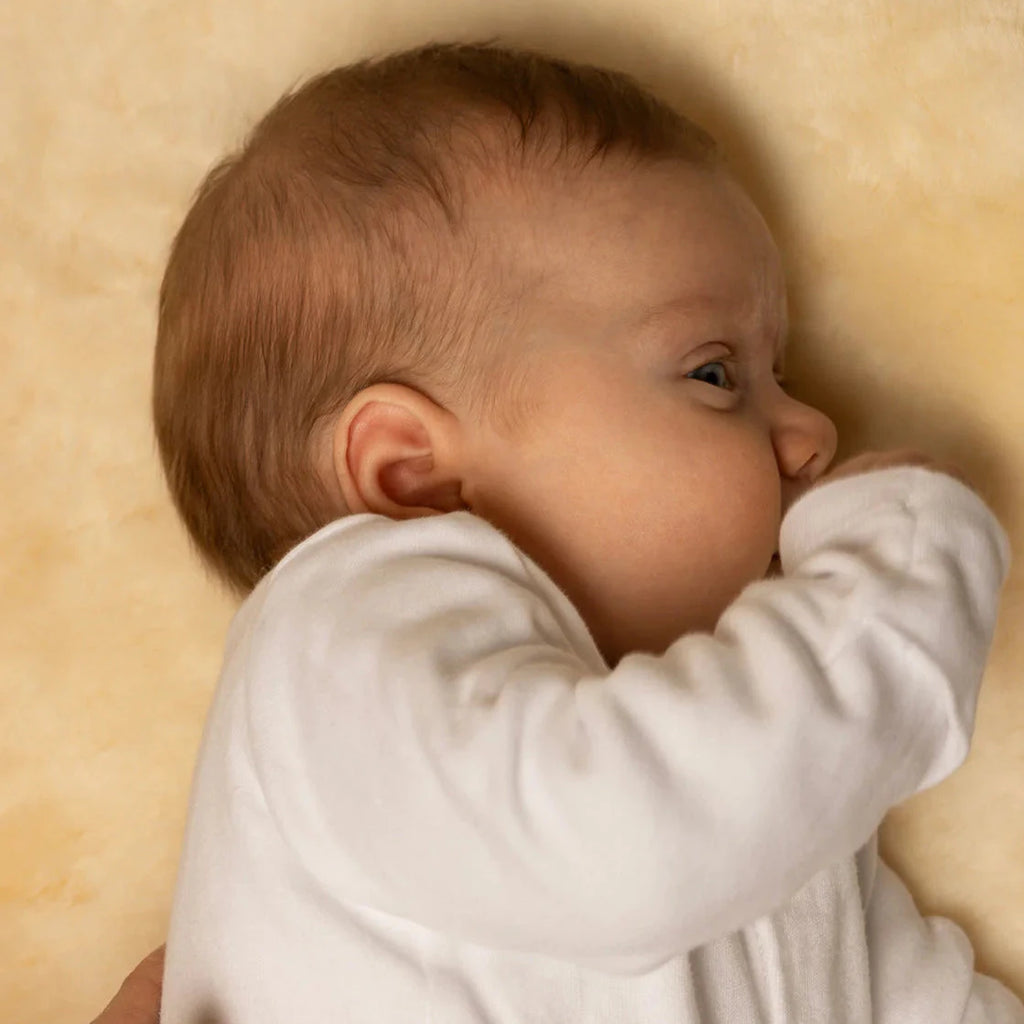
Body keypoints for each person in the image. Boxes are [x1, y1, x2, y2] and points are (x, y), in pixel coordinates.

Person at [143, 39, 1021, 1022]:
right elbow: (637, 843)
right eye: (714, 374)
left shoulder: (745, 775)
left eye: (783, 375)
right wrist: (895, 580)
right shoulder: (333, 645)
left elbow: (890, 992)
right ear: (410, 476)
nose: (812, 432)